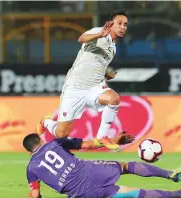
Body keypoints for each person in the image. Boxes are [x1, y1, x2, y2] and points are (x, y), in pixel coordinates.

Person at [36, 10, 129, 150]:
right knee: (61, 134)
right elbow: (81, 38)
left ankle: (102, 137)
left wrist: (106, 75)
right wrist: (100, 34)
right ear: (110, 24)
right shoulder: (99, 32)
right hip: (75, 87)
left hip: (94, 87)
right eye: (119, 23)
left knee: (114, 99)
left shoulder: (113, 49)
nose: (123, 27)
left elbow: (94, 66)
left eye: (125, 25)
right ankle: (47, 122)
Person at [23, 132, 181, 198]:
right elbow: (87, 144)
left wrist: (32, 196)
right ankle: (171, 174)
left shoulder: (31, 168)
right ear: (40, 140)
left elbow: (36, 194)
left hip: (81, 193)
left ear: (29, 151)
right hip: (90, 171)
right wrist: (113, 141)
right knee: (125, 166)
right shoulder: (55, 143)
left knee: (132, 192)